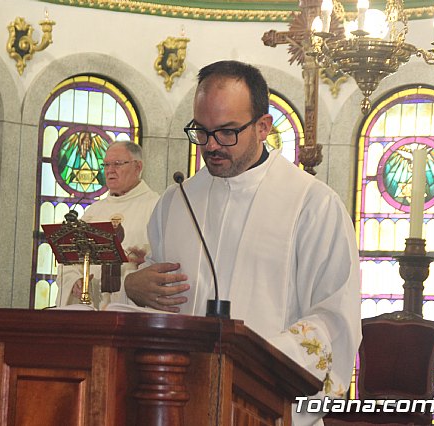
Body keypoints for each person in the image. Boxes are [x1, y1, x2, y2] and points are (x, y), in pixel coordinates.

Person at [124, 60, 361, 425]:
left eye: (227, 132)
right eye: (201, 131)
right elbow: (158, 298)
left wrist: (247, 371)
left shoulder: (313, 206)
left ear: (263, 126)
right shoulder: (176, 202)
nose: (211, 145)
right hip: (180, 405)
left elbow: (333, 319)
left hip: (265, 408)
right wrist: (135, 288)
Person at [56, 141, 159, 309]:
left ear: (138, 167)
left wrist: (146, 261)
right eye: (106, 165)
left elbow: (167, 258)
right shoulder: (94, 211)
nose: (110, 170)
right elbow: (69, 259)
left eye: (117, 164)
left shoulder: (155, 207)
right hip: (93, 307)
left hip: (132, 307)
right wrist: (75, 280)